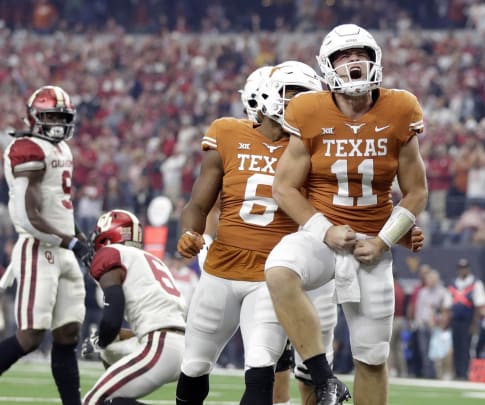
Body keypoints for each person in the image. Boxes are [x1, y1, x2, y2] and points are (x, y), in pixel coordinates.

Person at [265, 23, 428, 405]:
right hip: (323, 235)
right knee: (279, 270)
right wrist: (324, 230)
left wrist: (385, 239)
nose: (354, 60)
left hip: (372, 244)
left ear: (376, 62)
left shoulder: (401, 107)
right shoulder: (307, 109)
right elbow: (284, 187)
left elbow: (417, 191)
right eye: (343, 55)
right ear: (328, 66)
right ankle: (324, 378)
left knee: (371, 359)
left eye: (362, 54)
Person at [175, 61, 334, 405]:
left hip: (269, 275)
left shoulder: (312, 148)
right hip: (219, 270)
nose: (302, 104)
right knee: (194, 365)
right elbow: (198, 205)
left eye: (309, 98)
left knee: (261, 365)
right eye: (296, 94)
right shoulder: (228, 132)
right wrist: (190, 232)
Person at [0, 85, 93, 405]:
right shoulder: (27, 147)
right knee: (30, 337)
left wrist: (79, 237)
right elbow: (26, 215)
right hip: (39, 250)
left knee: (68, 335)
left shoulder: (62, 150)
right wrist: (70, 241)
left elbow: (59, 205)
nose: (57, 122)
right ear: (34, 116)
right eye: (50, 115)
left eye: (62, 116)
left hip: (64, 250)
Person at [81, 209, 186, 405]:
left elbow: (113, 315)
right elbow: (159, 323)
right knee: (113, 392)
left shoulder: (110, 253)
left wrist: (101, 341)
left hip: (159, 346)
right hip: (180, 347)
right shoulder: (150, 259)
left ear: (106, 238)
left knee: (91, 401)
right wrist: (108, 342)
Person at [444, 258, 485, 380]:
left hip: (468, 320)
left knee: (466, 346)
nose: (463, 270)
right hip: (455, 320)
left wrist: (475, 323)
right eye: (461, 268)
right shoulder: (453, 284)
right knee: (456, 346)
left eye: (465, 268)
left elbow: (479, 305)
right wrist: (447, 320)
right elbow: (448, 304)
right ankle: (457, 372)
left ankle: (465, 372)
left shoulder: (476, 284)